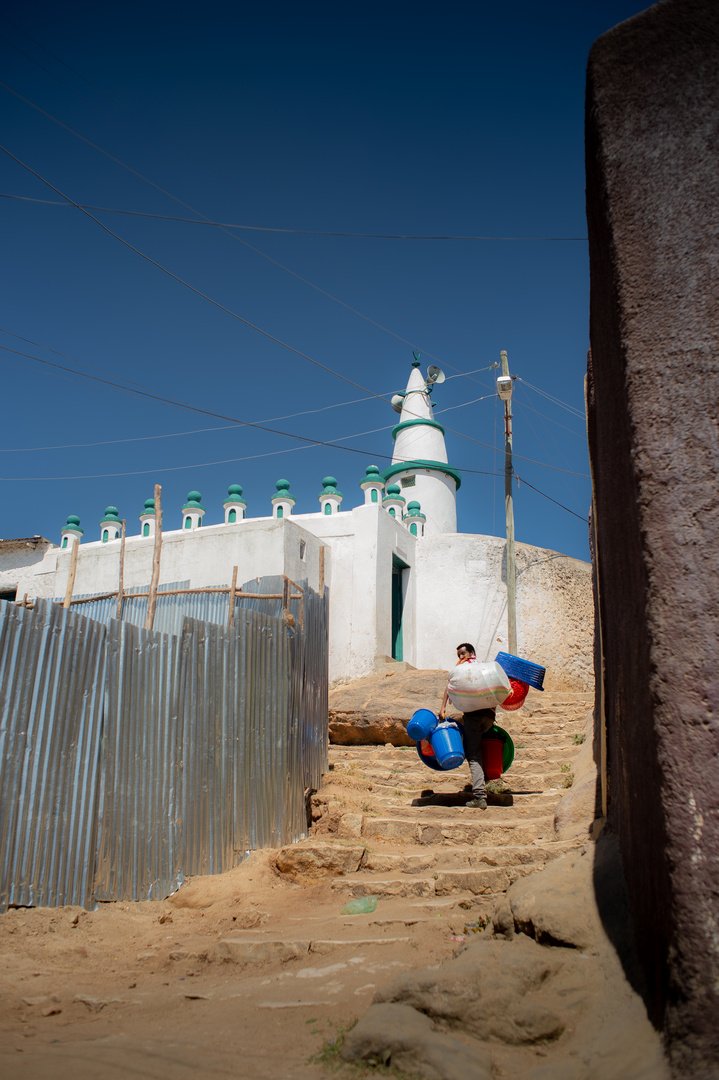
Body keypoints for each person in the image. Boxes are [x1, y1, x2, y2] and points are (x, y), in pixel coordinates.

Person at [439, 642, 495, 810]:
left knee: (473, 754)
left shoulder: (463, 670)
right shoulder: (483, 667)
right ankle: (484, 778)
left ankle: (479, 796)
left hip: (474, 716)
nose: (461, 657)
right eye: (458, 655)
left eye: (463, 654)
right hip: (489, 716)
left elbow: (449, 686)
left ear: (471, 653)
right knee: (476, 746)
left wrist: (442, 707)